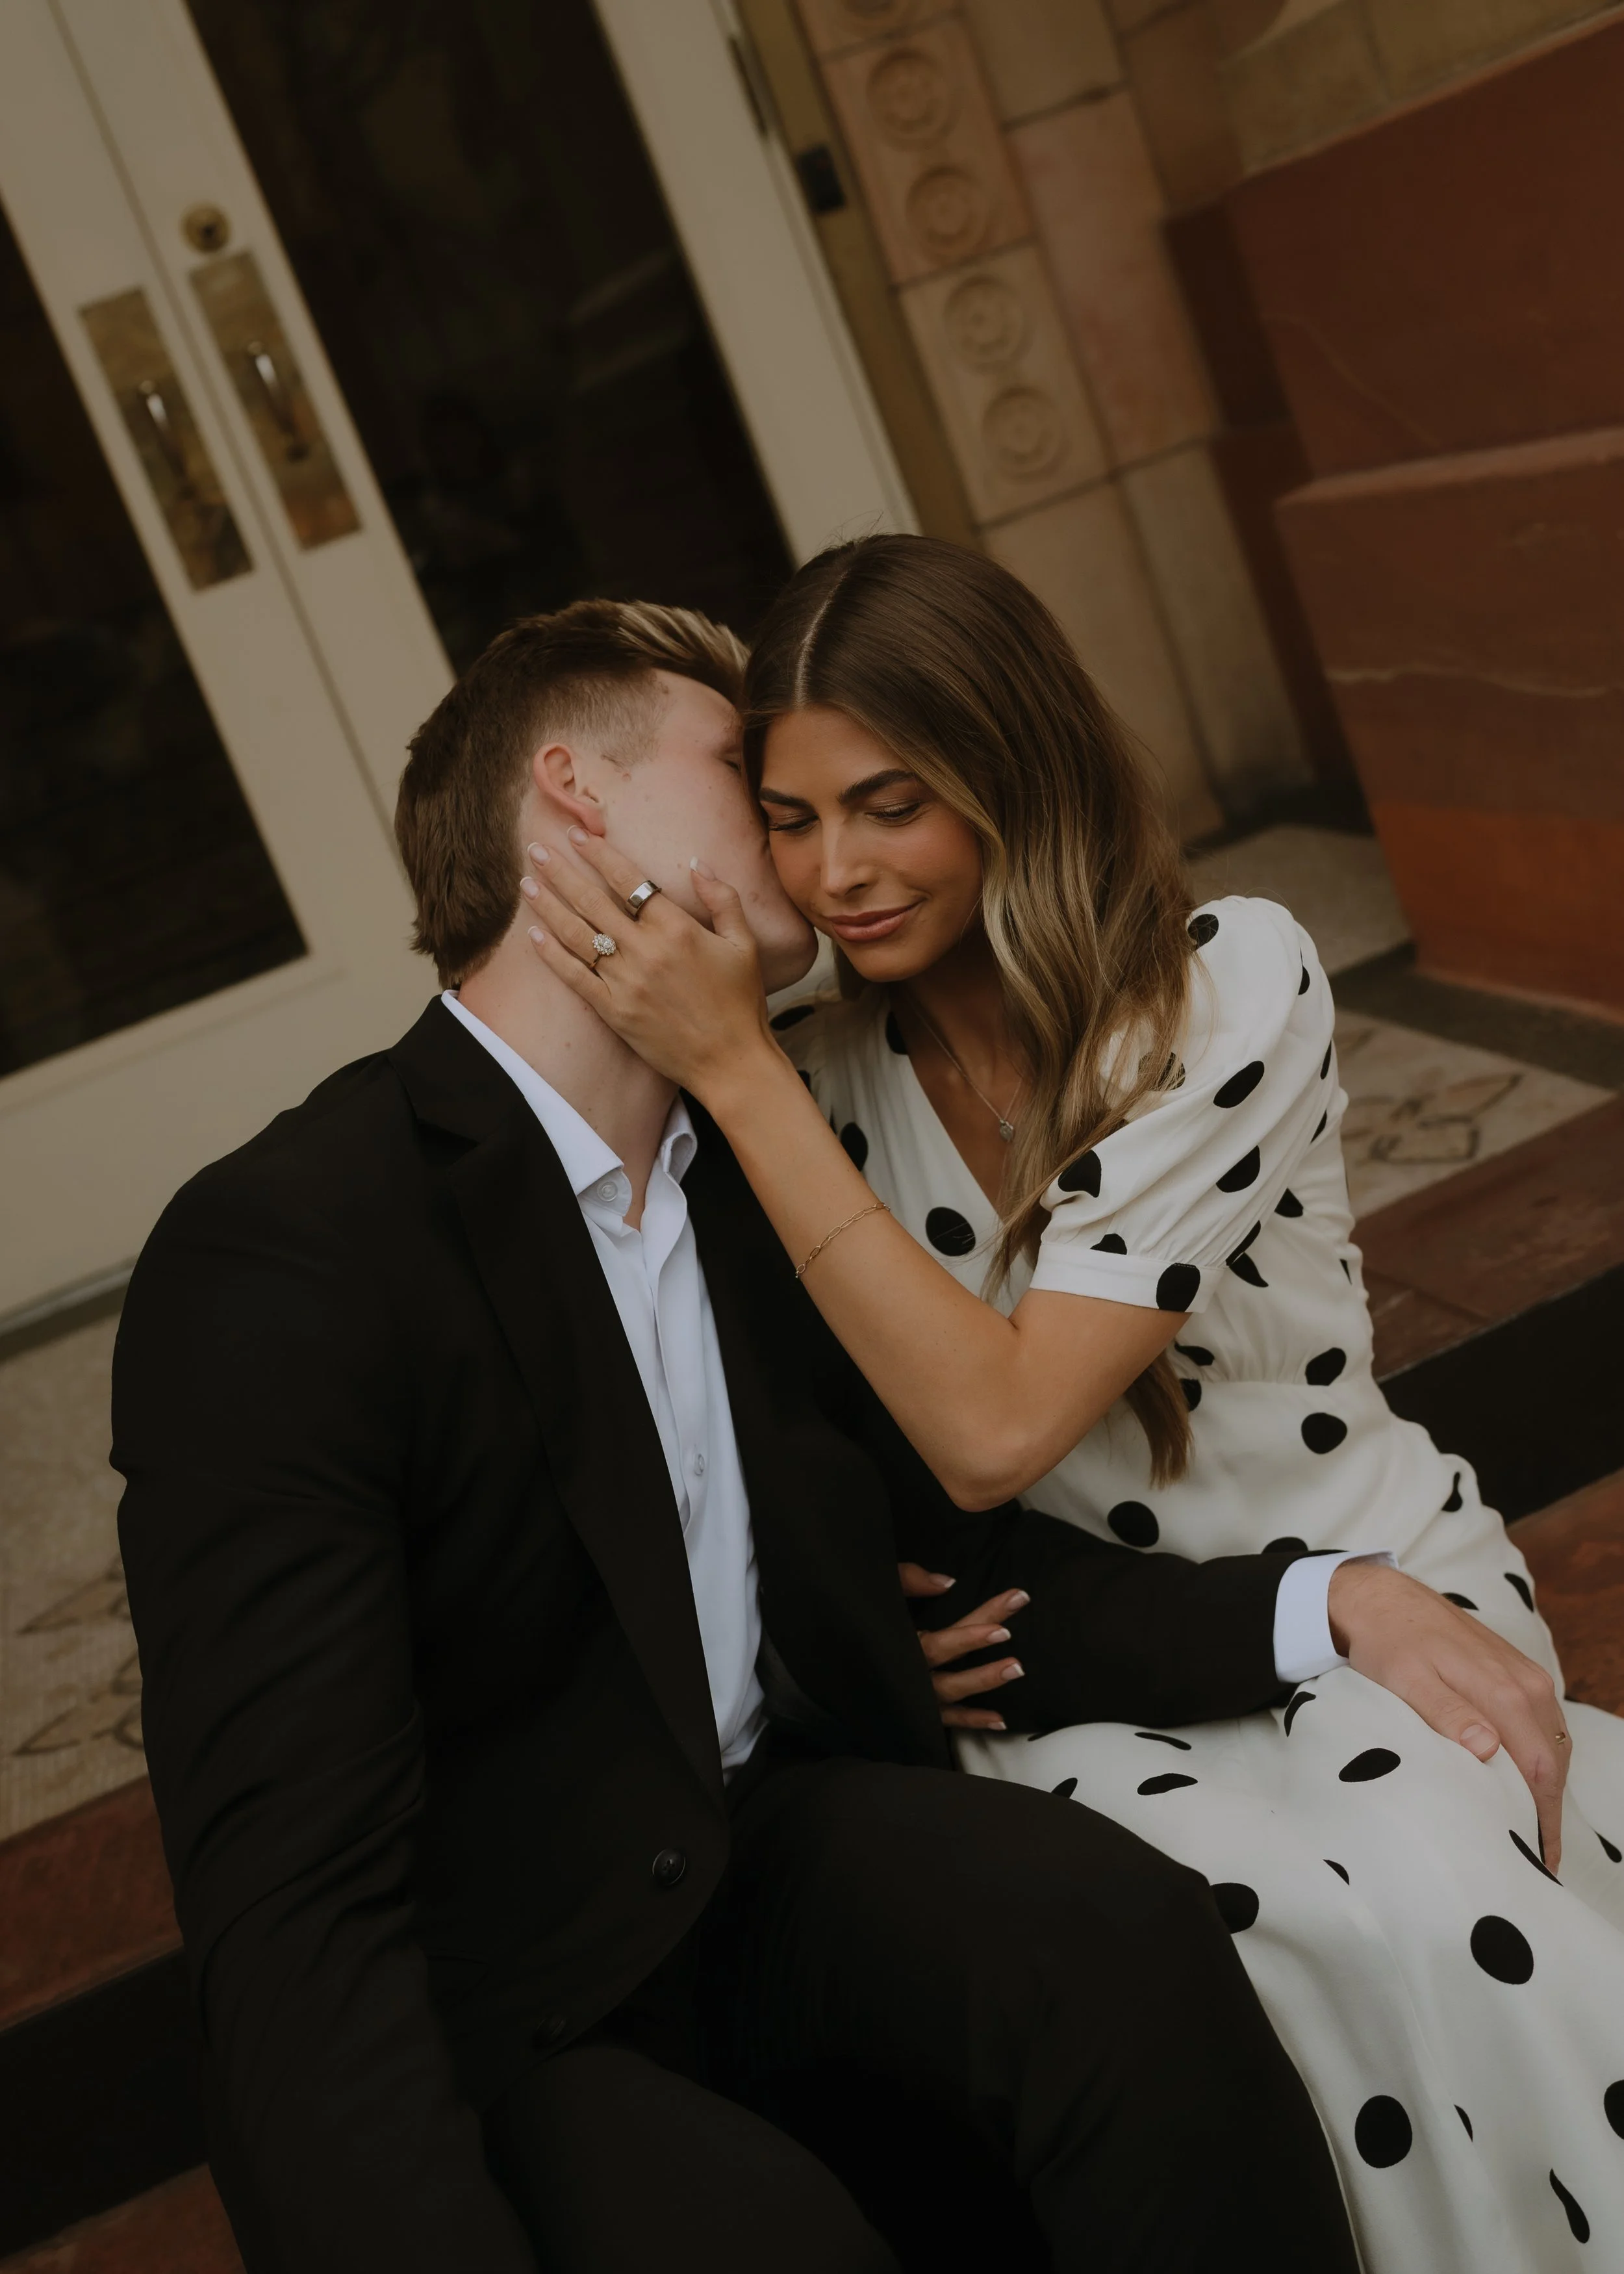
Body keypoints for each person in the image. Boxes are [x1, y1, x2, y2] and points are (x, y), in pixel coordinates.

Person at [114, 598, 1378, 2274]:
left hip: (765, 1850)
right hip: (512, 1986)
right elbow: (288, 1910)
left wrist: (1326, 1602)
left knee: (1120, 1934)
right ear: (576, 797)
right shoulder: (289, 1249)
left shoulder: (766, 1155)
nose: (803, 829)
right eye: (748, 776)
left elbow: (957, 1560)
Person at [524, 540, 1624, 2274]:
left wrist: (731, 1068)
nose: (836, 871)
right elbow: (812, 1451)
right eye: (792, 821)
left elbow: (998, 1426)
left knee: (1434, 1893)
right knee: (1213, 1961)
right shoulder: (815, 1086)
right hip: (1082, 1671)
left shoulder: (1220, 987)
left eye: (889, 804)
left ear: (1008, 768)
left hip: (1370, 1585)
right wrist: (856, 1611)